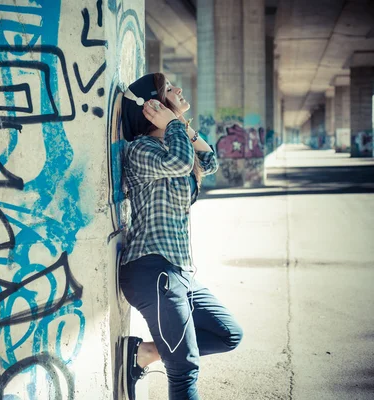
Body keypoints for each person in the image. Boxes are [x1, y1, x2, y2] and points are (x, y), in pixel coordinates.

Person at [119, 73, 243, 400]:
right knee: (185, 368)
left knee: (228, 334)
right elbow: (179, 162)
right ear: (154, 106)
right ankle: (155, 355)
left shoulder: (168, 143)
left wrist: (180, 125)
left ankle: (143, 354)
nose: (179, 89)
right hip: (152, 271)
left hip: (179, 273)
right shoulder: (140, 149)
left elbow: (209, 161)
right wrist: (174, 124)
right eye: (170, 88)